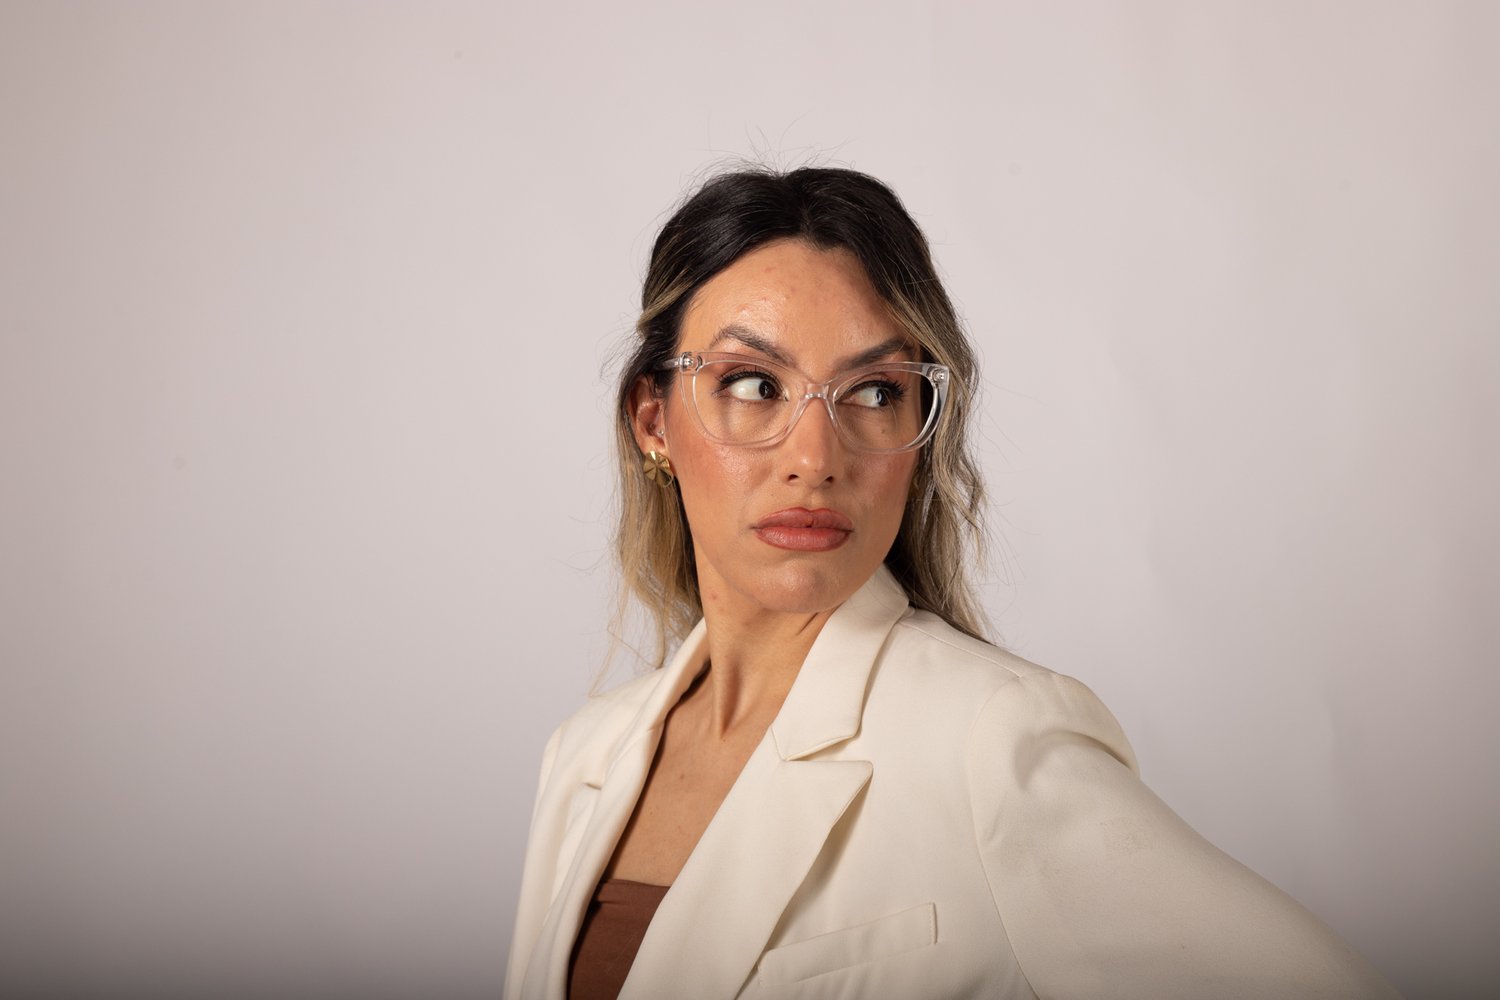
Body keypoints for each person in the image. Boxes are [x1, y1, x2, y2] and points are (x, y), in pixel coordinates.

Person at [504, 167, 1400, 1000]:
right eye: (752, 383)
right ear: (653, 421)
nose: (815, 458)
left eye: (873, 392)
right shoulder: (586, 756)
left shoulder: (990, 743)